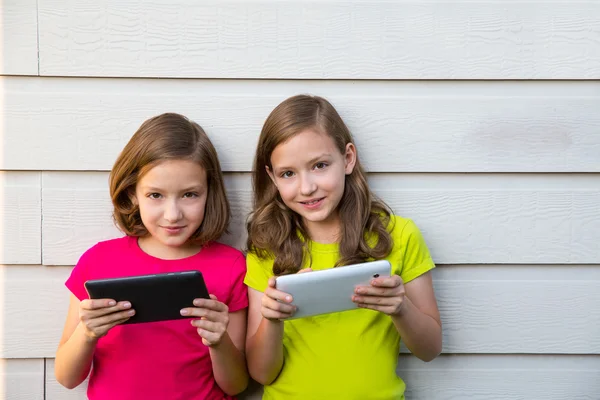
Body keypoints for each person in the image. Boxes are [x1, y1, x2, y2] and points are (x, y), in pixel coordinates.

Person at [244, 95, 442, 399]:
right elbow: (261, 373)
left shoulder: (399, 236)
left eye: (320, 165)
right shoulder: (267, 248)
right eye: (288, 174)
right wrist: (272, 320)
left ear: (348, 158)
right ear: (271, 176)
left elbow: (430, 349)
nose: (307, 187)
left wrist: (401, 309)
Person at [54, 113, 249, 400]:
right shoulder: (98, 262)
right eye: (156, 195)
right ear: (133, 193)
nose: (173, 215)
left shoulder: (230, 266)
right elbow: (67, 377)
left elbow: (236, 385)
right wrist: (87, 333)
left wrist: (219, 342)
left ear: (209, 192)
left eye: (190, 195)